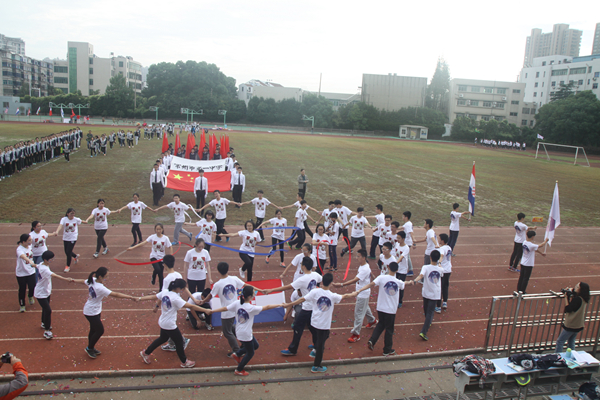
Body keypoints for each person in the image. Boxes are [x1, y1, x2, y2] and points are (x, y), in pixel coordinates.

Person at [285, 273, 354, 373]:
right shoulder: (332, 295)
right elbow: (346, 296)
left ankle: (314, 350)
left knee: (323, 337)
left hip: (314, 322)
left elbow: (302, 299)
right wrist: (356, 293)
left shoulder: (315, 292)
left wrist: (289, 304)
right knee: (321, 345)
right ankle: (316, 366)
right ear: (330, 283)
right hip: (323, 325)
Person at [212, 286, 283, 376]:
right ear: (249, 297)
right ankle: (239, 369)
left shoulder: (237, 303)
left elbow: (224, 308)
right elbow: (267, 307)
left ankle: (237, 354)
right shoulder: (251, 308)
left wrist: (212, 311)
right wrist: (281, 305)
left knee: (256, 345)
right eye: (253, 293)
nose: (254, 294)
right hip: (245, 334)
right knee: (250, 353)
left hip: (240, 332)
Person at [139, 279, 211, 368]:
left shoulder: (165, 292)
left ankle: (145, 353)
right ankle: (184, 362)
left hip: (163, 321)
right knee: (179, 342)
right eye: (182, 288)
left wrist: (139, 298)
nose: (182, 290)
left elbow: (154, 297)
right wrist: (205, 310)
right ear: (178, 288)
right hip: (169, 324)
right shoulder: (176, 298)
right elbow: (191, 306)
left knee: (162, 339)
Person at [199, 262, 264, 358]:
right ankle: (243, 343)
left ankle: (237, 350)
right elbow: (246, 285)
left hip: (227, 311)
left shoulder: (218, 284)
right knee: (232, 328)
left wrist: (203, 301)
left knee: (227, 332)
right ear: (228, 269)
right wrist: (260, 290)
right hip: (236, 309)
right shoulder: (234, 279)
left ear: (218, 271)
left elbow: (210, 296)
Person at [71, 267, 137, 358]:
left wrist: (73, 280)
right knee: (100, 330)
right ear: (100, 277)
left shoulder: (92, 280)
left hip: (95, 310)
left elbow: (83, 281)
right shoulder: (100, 288)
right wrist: (130, 297)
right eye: (106, 276)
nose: (107, 278)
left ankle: (91, 346)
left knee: (93, 329)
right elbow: (115, 294)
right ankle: (89, 348)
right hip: (91, 311)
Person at [266, 257, 322, 356]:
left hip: (307, 307)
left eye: (301, 264)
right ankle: (317, 344)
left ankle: (293, 349)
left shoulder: (302, 279)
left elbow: (287, 287)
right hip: (314, 306)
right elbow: (320, 281)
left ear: (304, 266)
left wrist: (272, 290)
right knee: (311, 326)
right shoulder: (316, 275)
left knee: (297, 326)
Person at [357, 261, 404, 356]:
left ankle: (372, 340)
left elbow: (371, 284)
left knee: (381, 325)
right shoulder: (398, 282)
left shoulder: (381, 278)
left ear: (388, 268)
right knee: (389, 329)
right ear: (397, 270)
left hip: (381, 308)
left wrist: (360, 290)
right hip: (390, 310)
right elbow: (404, 285)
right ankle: (387, 349)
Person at [334, 249, 377, 343]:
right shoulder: (364, 266)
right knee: (365, 307)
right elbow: (370, 272)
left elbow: (355, 280)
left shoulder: (365, 269)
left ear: (364, 257)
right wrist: (374, 278)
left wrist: (341, 285)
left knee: (358, 313)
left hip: (362, 293)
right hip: (361, 292)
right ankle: (372, 320)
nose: (356, 258)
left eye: (358, 256)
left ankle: (356, 334)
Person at [34, 251, 73, 339]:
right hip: (40, 293)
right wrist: (66, 279)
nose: (52, 260)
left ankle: (44, 323)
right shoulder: (45, 269)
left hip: (46, 291)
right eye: (51, 259)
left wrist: (32, 264)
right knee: (48, 310)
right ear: (45, 259)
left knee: (45, 309)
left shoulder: (41, 264)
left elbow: (36, 265)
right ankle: (47, 331)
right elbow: (54, 275)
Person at [408, 250, 444, 341]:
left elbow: (421, 275)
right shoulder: (440, 269)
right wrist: (439, 264)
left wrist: (415, 281)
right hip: (435, 293)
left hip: (426, 292)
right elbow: (441, 274)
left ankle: (425, 329)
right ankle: (425, 328)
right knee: (429, 312)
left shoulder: (426, 267)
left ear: (430, 258)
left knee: (427, 310)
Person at [128, 223, 173, 290]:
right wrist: (133, 248)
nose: (158, 231)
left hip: (161, 258)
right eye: (157, 229)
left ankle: (161, 291)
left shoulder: (165, 238)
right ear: (155, 230)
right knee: (157, 269)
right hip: (153, 257)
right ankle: (154, 275)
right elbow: (144, 243)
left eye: (159, 229)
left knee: (161, 275)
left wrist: (170, 256)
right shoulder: (152, 237)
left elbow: (170, 246)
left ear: (162, 229)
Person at [555, 282, 591, 352]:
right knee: (571, 341)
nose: (575, 288)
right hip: (578, 324)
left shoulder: (577, 299)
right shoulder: (584, 298)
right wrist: (571, 291)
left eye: (577, 287)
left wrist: (566, 297)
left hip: (571, 324)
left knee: (560, 341)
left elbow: (568, 309)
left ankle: (557, 357)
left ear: (581, 290)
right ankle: (572, 356)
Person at [54, 208, 86, 272]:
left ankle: (67, 266)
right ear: (67, 213)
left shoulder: (76, 219)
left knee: (68, 252)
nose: (72, 215)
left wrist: (86, 221)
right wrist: (57, 231)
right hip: (66, 237)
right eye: (71, 213)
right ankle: (75, 256)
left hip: (73, 237)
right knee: (66, 251)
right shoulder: (64, 219)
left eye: (73, 213)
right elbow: (60, 225)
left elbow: (81, 221)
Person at [15, 234, 37, 313]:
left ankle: (30, 296)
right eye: (29, 240)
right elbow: (23, 256)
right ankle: (22, 305)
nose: (31, 242)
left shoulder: (30, 247)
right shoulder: (19, 249)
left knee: (32, 286)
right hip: (21, 273)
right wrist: (30, 261)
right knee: (22, 289)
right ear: (23, 242)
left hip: (31, 271)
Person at [436, 234, 453, 312]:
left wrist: (439, 262)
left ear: (442, 241)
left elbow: (442, 255)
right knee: (445, 286)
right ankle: (445, 302)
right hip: (448, 269)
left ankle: (438, 306)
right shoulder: (449, 247)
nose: (438, 240)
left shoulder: (442, 249)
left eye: (439, 239)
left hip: (442, 270)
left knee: (439, 288)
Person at [398, 211, 416, 276]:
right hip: (407, 242)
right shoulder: (407, 223)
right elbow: (402, 227)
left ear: (406, 217)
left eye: (403, 216)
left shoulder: (408, 224)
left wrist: (414, 242)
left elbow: (411, 233)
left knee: (407, 256)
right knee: (406, 256)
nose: (402, 217)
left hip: (407, 243)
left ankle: (410, 270)